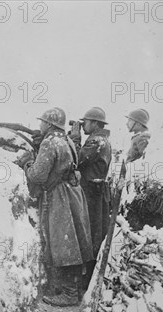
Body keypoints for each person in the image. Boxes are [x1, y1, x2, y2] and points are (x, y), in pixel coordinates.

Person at [15, 107, 94, 307]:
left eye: (42, 122)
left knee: (63, 243)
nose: (40, 125)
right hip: (72, 193)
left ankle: (68, 294)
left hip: (60, 197)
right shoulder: (66, 140)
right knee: (72, 242)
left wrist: (27, 163)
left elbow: (38, 175)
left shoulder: (50, 143)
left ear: (49, 124)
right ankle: (70, 289)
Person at [69, 107, 113, 269]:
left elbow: (77, 159)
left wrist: (75, 138)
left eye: (85, 122)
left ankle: (84, 278)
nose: (83, 125)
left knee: (88, 233)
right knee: (94, 233)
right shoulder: (101, 140)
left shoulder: (96, 141)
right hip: (97, 192)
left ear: (95, 123)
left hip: (92, 193)